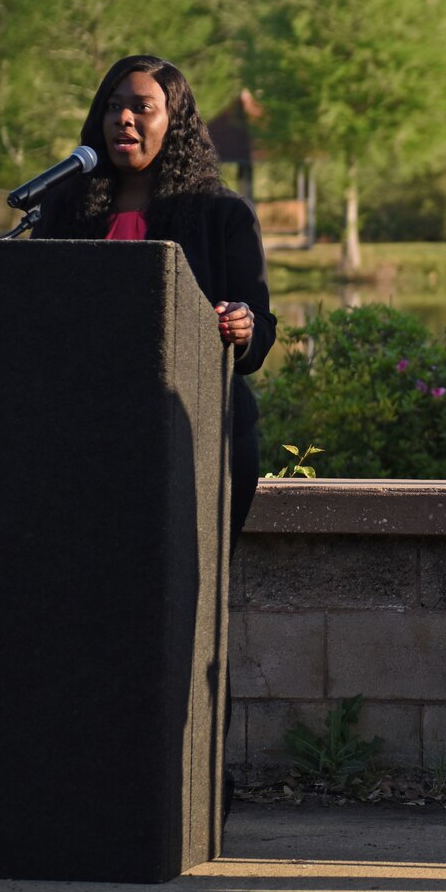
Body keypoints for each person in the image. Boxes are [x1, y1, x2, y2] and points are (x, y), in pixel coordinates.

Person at [34, 54, 276, 546]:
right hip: (84, 439)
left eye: (142, 107)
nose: (124, 118)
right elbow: (34, 309)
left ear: (175, 123)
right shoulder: (64, 208)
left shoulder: (221, 214)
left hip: (197, 441)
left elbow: (261, 329)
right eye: (114, 107)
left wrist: (244, 327)